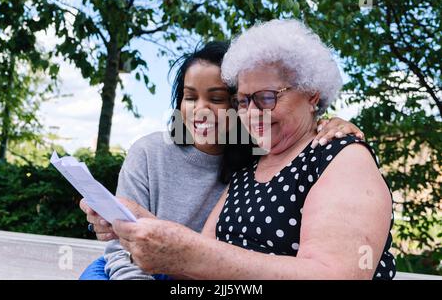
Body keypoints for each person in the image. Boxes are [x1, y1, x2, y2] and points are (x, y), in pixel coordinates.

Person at [110, 19, 396, 280]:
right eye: (244, 101)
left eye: (267, 98)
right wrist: (142, 230)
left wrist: (185, 251)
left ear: (312, 95)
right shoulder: (250, 166)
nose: (252, 114)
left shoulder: (340, 157)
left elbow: (337, 276)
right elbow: (198, 263)